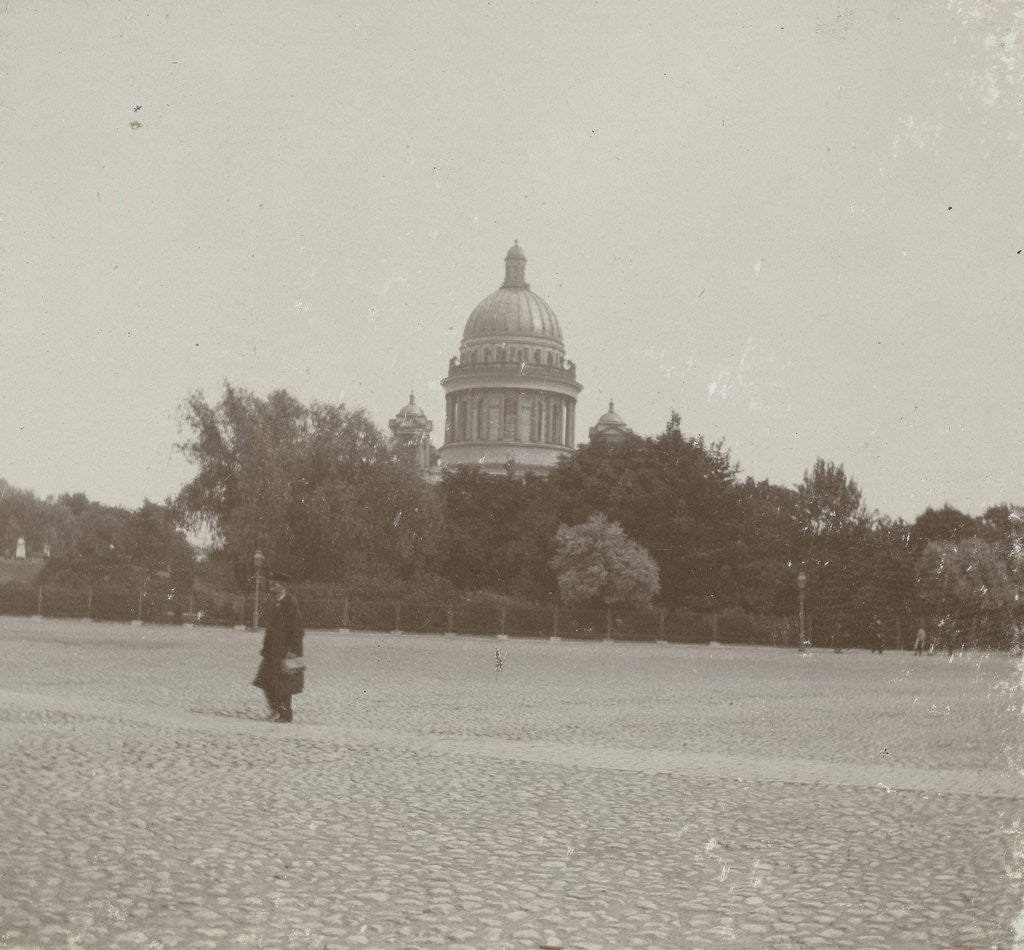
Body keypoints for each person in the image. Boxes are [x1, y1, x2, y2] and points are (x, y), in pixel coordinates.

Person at [252, 572, 305, 723]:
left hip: (284, 650)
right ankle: (275, 709)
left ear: (283, 586)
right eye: (271, 584)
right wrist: (265, 647)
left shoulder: (290, 602)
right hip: (271, 650)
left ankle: (285, 715)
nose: (271, 586)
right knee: (263, 679)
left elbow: (297, 629)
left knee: (284, 684)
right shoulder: (275, 601)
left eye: (275, 584)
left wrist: (292, 651)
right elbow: (271, 627)